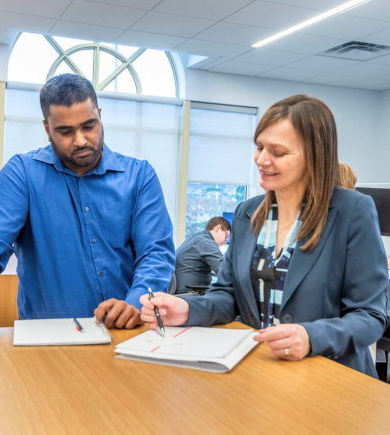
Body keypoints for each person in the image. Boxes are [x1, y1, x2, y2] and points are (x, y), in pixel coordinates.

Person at [140, 94, 388, 378]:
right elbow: (227, 296)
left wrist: (310, 336)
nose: (261, 159)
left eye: (278, 152)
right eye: (259, 147)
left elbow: (370, 316)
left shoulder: (352, 211)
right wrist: (186, 308)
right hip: (261, 372)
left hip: (331, 378)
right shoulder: (248, 213)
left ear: (315, 155)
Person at [0, 74, 175, 347]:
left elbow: (156, 252)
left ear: (100, 115)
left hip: (126, 334)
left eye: (89, 125)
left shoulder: (139, 176)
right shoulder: (22, 173)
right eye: (65, 131)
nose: (81, 140)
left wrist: (137, 301)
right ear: (47, 128)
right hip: (47, 339)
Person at [175, 217, 230, 294]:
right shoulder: (207, 242)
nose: (225, 242)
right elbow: (224, 271)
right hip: (189, 294)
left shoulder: (197, 237)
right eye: (226, 237)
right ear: (218, 228)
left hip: (181, 292)